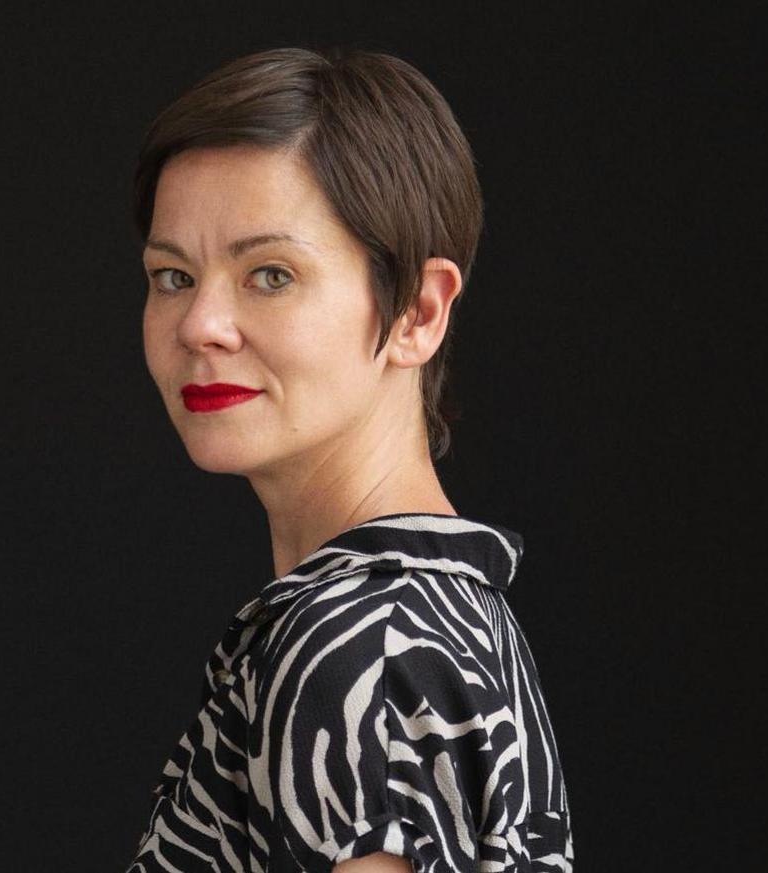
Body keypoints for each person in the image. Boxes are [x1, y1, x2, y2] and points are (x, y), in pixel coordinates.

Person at [125, 45, 573, 872]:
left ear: (418, 312)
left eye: (270, 274)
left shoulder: (358, 643)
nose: (200, 325)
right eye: (172, 275)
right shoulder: (451, 612)